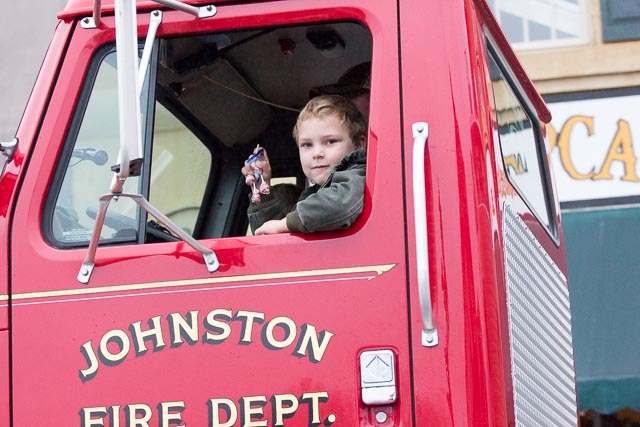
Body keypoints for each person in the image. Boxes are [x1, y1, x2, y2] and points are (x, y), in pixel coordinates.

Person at [241, 95, 367, 235]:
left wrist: (284, 224)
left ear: (359, 145)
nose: (317, 153)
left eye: (330, 141)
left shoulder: (359, 175)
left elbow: (339, 205)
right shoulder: (311, 197)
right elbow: (268, 234)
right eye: (307, 145)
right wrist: (261, 188)